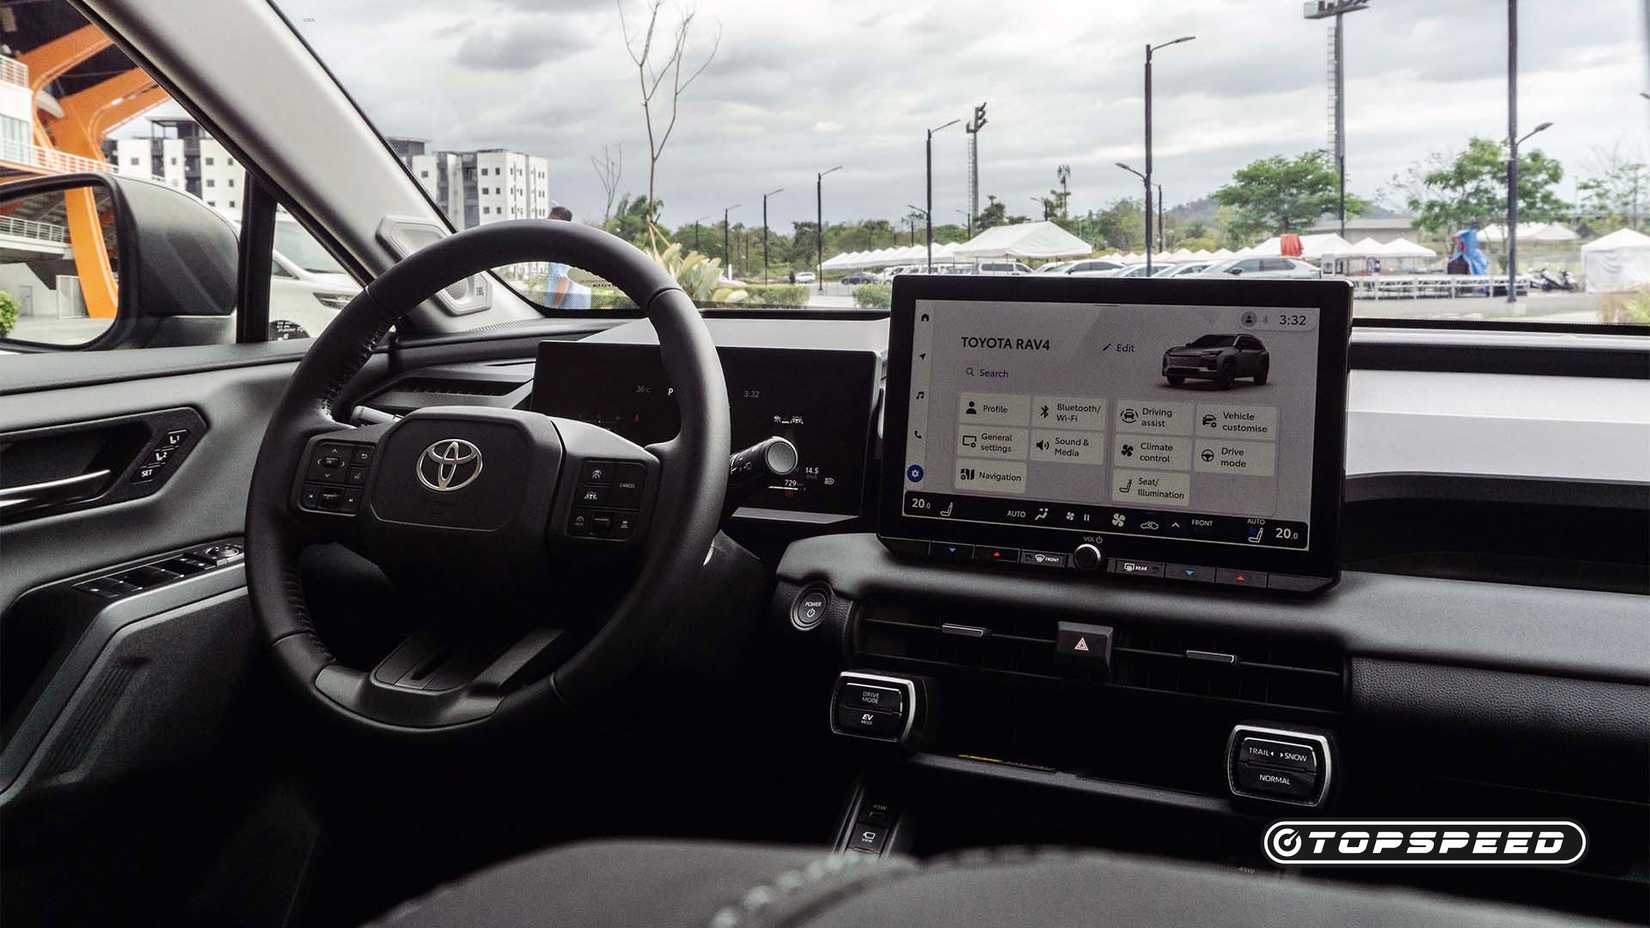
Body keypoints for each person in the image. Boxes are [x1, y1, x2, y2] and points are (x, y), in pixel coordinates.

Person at [544, 205, 577, 309]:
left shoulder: (560, 246)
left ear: (557, 221)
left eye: (549, 220)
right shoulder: (571, 243)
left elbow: (564, 280)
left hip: (564, 310)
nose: (546, 224)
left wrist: (554, 307)